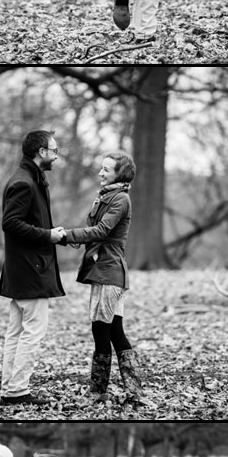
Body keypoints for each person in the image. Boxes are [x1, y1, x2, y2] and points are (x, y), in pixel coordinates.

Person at [59, 151, 143, 404]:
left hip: (110, 273)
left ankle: (98, 392)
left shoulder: (120, 200)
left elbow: (102, 230)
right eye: (102, 168)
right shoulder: (106, 196)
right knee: (115, 331)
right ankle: (134, 392)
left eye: (107, 169)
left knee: (101, 331)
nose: (101, 173)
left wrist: (65, 236)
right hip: (104, 271)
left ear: (120, 174)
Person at [0, 130, 66, 406]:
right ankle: (17, 391)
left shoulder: (31, 178)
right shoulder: (24, 182)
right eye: (54, 150)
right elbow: (10, 223)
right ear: (41, 152)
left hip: (25, 269)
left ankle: (10, 390)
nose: (56, 155)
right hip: (30, 270)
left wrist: (49, 233)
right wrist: (47, 235)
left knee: (16, 331)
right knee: (32, 332)